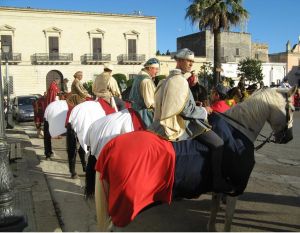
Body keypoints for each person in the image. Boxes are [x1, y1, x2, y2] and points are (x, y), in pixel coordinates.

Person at [149, 48, 232, 193]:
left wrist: (195, 104)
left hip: (161, 121)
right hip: (181, 124)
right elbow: (186, 112)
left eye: (192, 61)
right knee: (218, 143)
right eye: (188, 60)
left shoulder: (166, 79)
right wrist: (205, 111)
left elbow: (180, 104)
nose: (191, 64)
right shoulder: (179, 81)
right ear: (179, 61)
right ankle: (217, 181)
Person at [129, 58, 159, 127]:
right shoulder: (146, 81)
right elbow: (150, 103)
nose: (157, 71)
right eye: (156, 69)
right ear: (150, 68)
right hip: (144, 113)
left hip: (135, 108)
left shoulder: (138, 77)